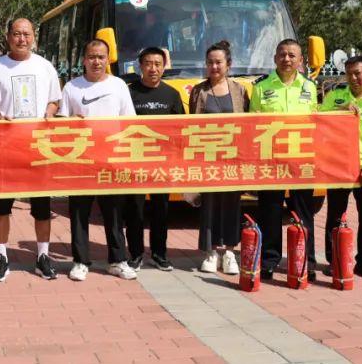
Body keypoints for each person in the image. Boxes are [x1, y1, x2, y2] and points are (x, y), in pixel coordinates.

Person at [0, 18, 62, 282]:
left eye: (26, 34)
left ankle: (43, 256)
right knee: (1, 206)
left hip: (38, 146)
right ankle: (2, 257)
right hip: (6, 147)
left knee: (41, 206)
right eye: (17, 34)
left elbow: (54, 100)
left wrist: (49, 113)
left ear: (33, 37)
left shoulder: (45, 66)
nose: (22, 39)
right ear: (8, 37)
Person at [60, 39, 138, 282]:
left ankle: (118, 260)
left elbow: (129, 122)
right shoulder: (71, 87)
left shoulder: (119, 86)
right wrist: (70, 121)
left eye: (101, 57)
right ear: (84, 59)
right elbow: (62, 123)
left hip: (111, 160)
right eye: (92, 57)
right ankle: (80, 261)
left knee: (114, 213)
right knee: (79, 213)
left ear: (108, 59)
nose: (96, 61)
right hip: (81, 161)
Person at [250, 39, 319, 281]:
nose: (286, 59)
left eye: (292, 55)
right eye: (282, 55)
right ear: (275, 58)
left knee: (303, 213)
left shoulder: (310, 87)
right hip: (272, 160)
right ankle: (269, 260)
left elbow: (318, 121)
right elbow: (253, 123)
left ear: (300, 60)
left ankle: (306, 261)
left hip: (302, 159)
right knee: (270, 211)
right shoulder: (261, 87)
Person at [321, 55, 362, 280]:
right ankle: (335, 260)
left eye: (358, 73)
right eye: (349, 73)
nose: (353, 78)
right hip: (338, 167)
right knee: (335, 215)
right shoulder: (336, 96)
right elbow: (318, 118)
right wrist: (340, 110)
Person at [188, 40, 250, 275]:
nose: (214, 67)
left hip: (233, 158)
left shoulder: (240, 90)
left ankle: (230, 253)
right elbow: (190, 125)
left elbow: (248, 123)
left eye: (218, 62)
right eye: (210, 62)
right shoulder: (199, 91)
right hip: (208, 158)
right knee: (210, 205)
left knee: (233, 204)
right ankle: (211, 252)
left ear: (228, 64)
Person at [126, 46, 183, 272]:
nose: (153, 68)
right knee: (135, 209)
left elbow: (181, 129)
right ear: (140, 66)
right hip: (135, 161)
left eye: (158, 64)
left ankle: (160, 254)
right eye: (148, 64)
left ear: (164, 67)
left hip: (162, 162)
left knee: (161, 209)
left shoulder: (172, 94)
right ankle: (135, 254)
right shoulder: (129, 92)